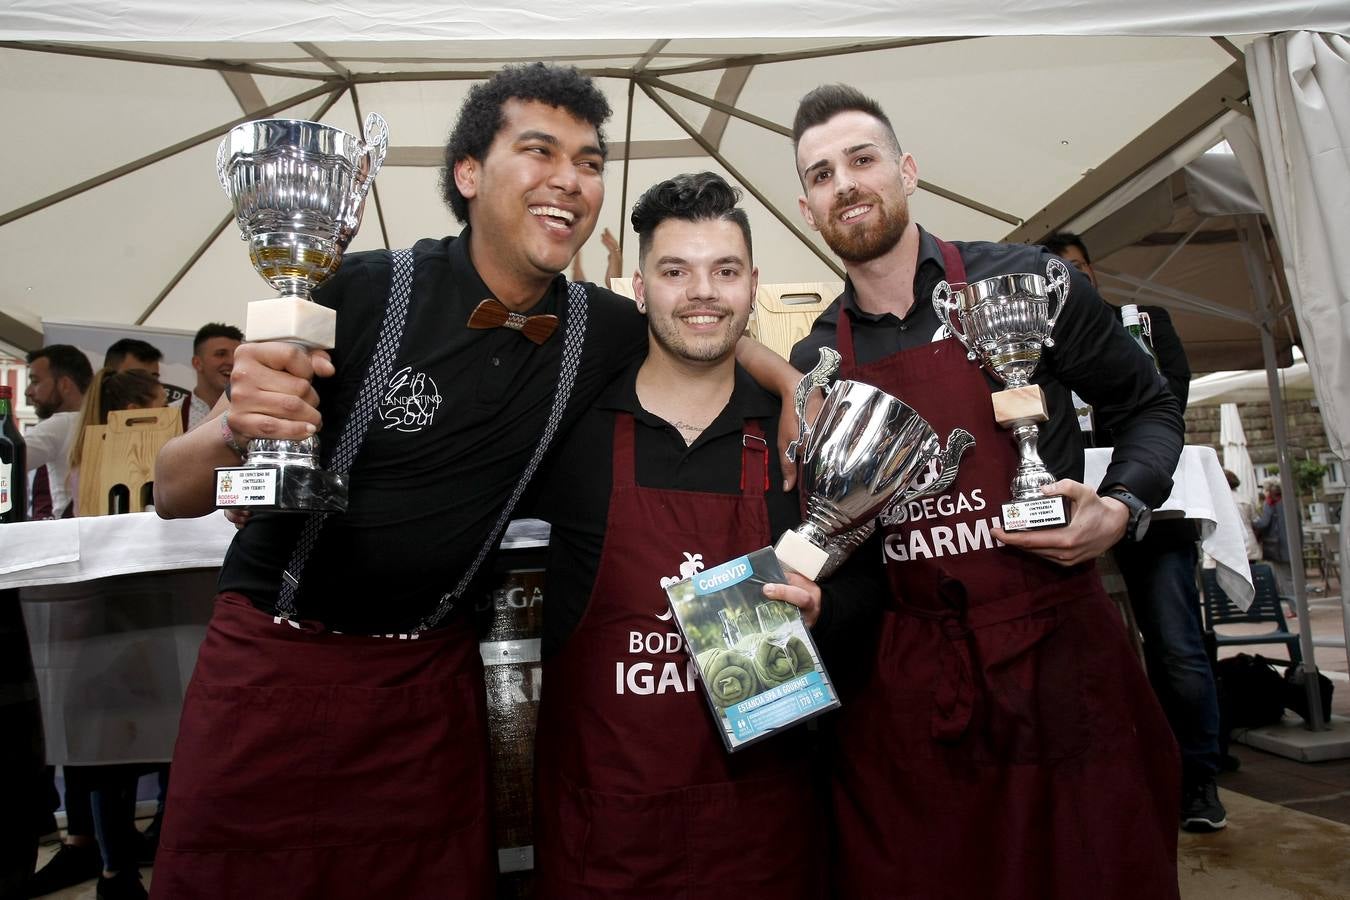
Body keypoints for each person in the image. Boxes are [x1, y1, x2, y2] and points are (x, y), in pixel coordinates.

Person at [149, 64, 799, 900]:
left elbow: (699, 316)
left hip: (428, 694)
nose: (569, 178)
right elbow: (172, 491)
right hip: (275, 669)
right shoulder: (361, 291)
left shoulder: (596, 329)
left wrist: (791, 383)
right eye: (539, 151)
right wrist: (241, 421)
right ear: (468, 173)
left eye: (590, 161)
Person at [787, 85, 1185, 898]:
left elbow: (1146, 404)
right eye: (822, 174)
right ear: (807, 206)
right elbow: (846, 548)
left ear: (906, 170)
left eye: (862, 160)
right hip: (914, 686)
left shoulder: (1028, 281)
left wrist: (1119, 507)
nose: (846, 184)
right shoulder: (817, 357)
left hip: (1061, 660)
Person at [530, 173, 879, 899]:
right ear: (638, 287)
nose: (702, 293)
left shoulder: (797, 438)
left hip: (762, 832)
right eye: (675, 271)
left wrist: (824, 613)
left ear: (753, 285)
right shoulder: (569, 430)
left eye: (724, 271)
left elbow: (872, 595)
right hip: (608, 830)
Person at [1042, 231, 1226, 833]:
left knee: (1175, 644)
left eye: (1074, 269)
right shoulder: (1033, 338)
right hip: (1062, 508)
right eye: (1054, 272)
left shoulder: (1144, 322)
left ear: (1090, 270)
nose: (1068, 279)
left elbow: (1164, 396)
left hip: (1150, 507)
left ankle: (1198, 777)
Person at [23, 345, 93, 520]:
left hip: (69, 532)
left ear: (64, 384)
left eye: (35, 381)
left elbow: (7, 457)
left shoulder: (64, 423)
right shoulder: (107, 420)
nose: (28, 391)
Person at [186, 324, 243, 430]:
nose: (232, 361)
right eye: (221, 354)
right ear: (197, 363)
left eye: (237, 355)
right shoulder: (170, 414)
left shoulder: (253, 413)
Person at [1254, 478, 1293, 597]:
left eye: (1265, 489)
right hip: (1292, 545)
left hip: (1278, 546)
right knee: (1293, 576)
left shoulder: (1270, 503)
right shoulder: (1289, 500)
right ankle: (1301, 605)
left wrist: (1252, 523)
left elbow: (1264, 523)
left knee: (1284, 579)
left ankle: (1294, 607)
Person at [1225, 468, 1262, 562]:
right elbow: (1256, 522)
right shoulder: (1246, 498)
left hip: (1229, 545)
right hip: (1249, 542)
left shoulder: (1218, 501)